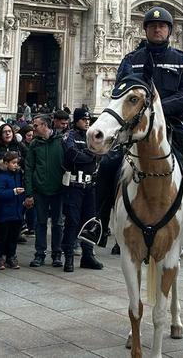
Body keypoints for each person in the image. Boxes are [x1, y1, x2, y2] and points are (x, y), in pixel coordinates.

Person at [80, 6, 183, 251]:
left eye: (162, 26)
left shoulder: (182, 60)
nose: (157, 29)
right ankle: (98, 221)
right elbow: (120, 91)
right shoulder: (132, 61)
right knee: (108, 165)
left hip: (172, 124)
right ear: (146, 30)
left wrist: (158, 109)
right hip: (134, 127)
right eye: (152, 26)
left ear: (170, 31)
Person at [61, 108, 103, 272]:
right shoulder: (70, 135)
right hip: (74, 186)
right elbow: (72, 155)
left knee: (90, 221)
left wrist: (90, 154)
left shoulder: (92, 136)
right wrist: (90, 155)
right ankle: (69, 257)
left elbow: (100, 153)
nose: (87, 122)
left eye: (88, 119)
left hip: (90, 186)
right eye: (83, 119)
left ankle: (88, 255)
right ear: (76, 120)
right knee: (72, 221)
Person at [24, 115, 65, 268]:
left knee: (58, 223)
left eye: (36, 125)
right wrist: (29, 192)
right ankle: (39, 254)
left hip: (58, 190)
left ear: (45, 125)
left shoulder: (61, 141)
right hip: (40, 190)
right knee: (40, 223)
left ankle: (57, 254)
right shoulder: (34, 144)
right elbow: (28, 168)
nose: (33, 128)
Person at [0, 152, 26, 269]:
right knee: (2, 237)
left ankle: (11, 257)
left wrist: (24, 201)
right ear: (6, 163)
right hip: (4, 213)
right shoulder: (1, 176)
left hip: (17, 211)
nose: (16, 165)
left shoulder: (18, 175)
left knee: (13, 237)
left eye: (17, 163)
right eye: (13, 163)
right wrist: (13, 192)